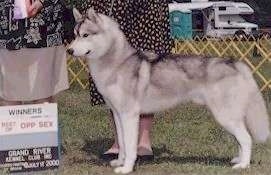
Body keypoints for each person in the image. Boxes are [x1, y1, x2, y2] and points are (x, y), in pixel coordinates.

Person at [75, 0, 172, 160]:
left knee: (145, 69)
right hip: (107, 6)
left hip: (144, 10)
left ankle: (143, 142)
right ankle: (119, 142)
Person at [0, 0, 69, 105]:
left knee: (44, 93)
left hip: (44, 28)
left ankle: (43, 119)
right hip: (7, 26)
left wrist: (42, 2)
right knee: (8, 94)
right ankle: (11, 120)